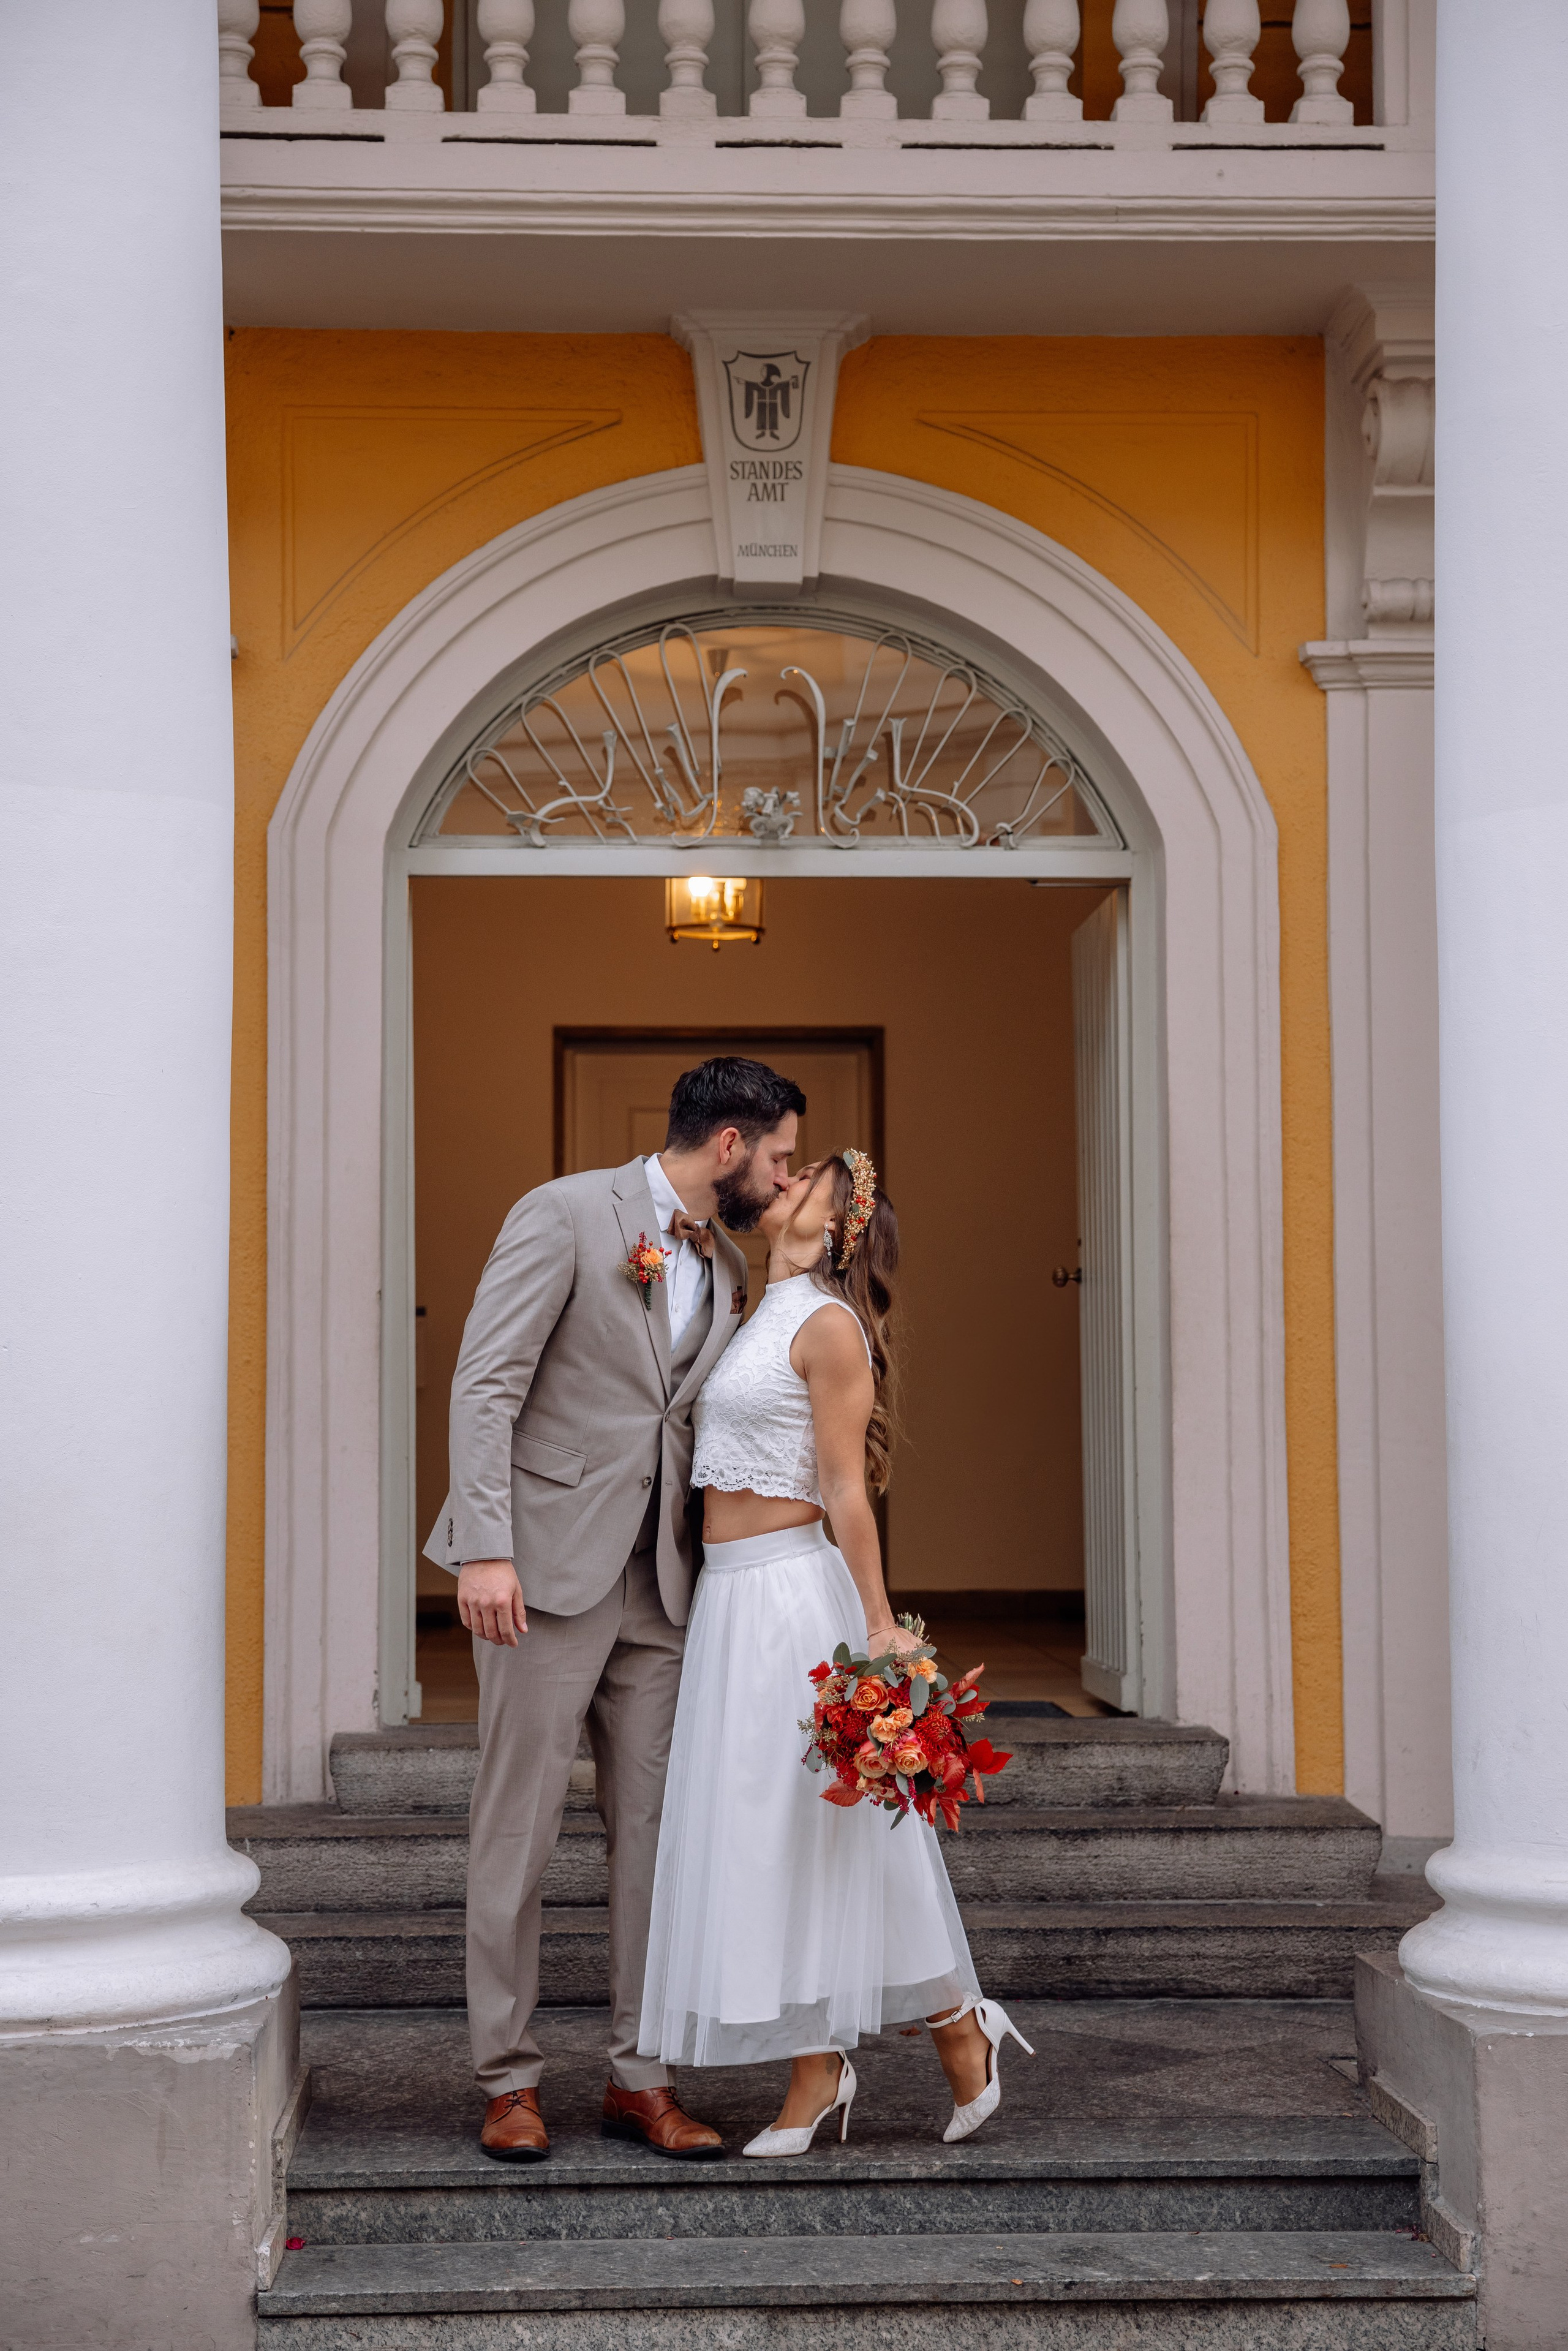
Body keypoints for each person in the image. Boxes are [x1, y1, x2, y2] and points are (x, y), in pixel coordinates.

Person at [425, 1055, 806, 2164]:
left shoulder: (728, 1262)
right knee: (520, 1829)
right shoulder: (563, 1214)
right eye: (776, 1155)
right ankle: (508, 2078)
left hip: (665, 1584)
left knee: (654, 1839)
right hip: (541, 1571)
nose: (782, 1178)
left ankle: (641, 2075)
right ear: (727, 1145)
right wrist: (487, 1547)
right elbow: (485, 1381)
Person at [638, 1149, 1033, 2156]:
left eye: (809, 1176)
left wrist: (880, 1622)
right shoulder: (746, 1306)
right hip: (727, 1605)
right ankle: (839, 2059)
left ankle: (942, 2027)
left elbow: (847, 1488)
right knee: (764, 1831)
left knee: (826, 1830)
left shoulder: (829, 1326)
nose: (787, 1178)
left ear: (840, 1224)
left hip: (789, 1599)